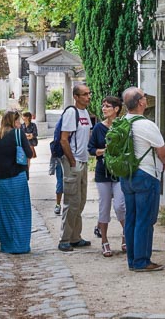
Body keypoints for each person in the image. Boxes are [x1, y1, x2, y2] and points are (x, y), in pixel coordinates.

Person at [120, 86, 165, 272]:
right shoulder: (146, 124)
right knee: (145, 219)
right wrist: (164, 163)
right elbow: (162, 151)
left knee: (131, 218)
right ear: (140, 102)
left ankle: (132, 260)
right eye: (144, 96)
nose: (146, 98)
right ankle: (142, 261)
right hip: (146, 174)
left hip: (127, 175)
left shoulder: (122, 122)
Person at [0, 110, 34, 254]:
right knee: (21, 210)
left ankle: (7, 245)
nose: (20, 123)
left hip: (2, 177)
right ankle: (21, 245)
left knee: (5, 211)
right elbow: (29, 153)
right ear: (13, 122)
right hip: (17, 175)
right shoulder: (19, 134)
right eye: (18, 121)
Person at [57, 83, 94, 252]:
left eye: (89, 94)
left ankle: (75, 237)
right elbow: (64, 139)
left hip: (83, 161)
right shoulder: (72, 113)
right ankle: (64, 238)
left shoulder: (85, 112)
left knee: (80, 201)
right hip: (73, 162)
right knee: (71, 201)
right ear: (76, 97)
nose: (88, 97)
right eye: (85, 94)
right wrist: (72, 161)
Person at [88, 96, 127, 257]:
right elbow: (91, 149)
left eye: (107, 106)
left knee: (120, 206)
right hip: (102, 173)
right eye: (103, 106)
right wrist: (105, 151)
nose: (104, 109)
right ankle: (104, 241)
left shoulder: (123, 127)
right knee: (104, 207)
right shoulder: (98, 128)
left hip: (118, 173)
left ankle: (126, 236)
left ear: (116, 109)